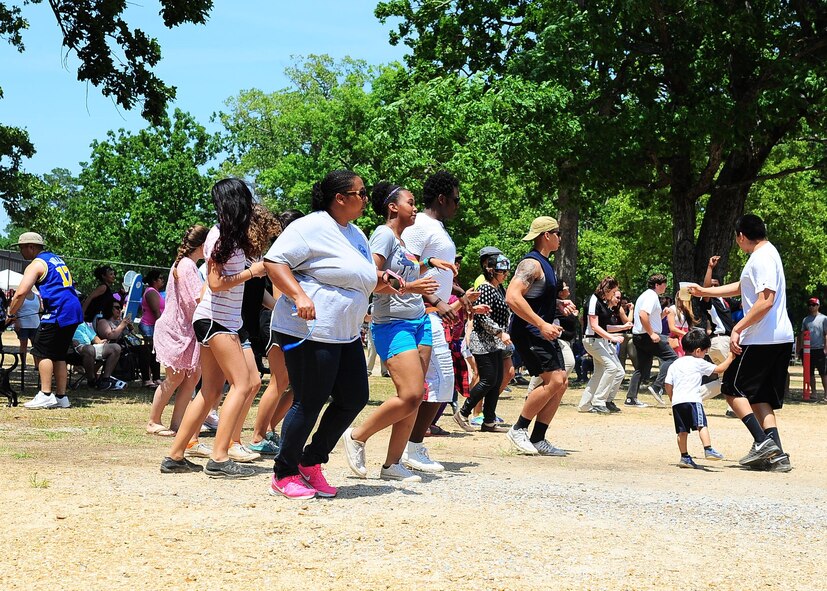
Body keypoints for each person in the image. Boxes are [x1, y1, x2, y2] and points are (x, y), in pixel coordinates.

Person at [264, 170, 382, 499]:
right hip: (310, 331)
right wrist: (300, 296)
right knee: (309, 401)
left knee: (354, 397)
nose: (365, 199)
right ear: (339, 198)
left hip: (344, 334)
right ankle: (283, 472)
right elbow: (274, 262)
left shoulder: (356, 233)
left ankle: (309, 461)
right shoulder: (311, 226)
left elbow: (361, 276)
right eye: (360, 193)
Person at [160, 178, 267, 477]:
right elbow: (217, 284)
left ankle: (175, 456)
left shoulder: (228, 236)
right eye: (247, 198)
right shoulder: (222, 239)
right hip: (217, 320)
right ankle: (220, 458)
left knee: (209, 392)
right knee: (243, 384)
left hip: (219, 319)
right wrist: (252, 272)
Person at [341, 181, 443, 483]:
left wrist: (426, 264)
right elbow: (371, 279)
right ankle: (358, 436)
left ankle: (392, 465)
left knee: (415, 396)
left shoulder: (400, 241)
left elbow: (403, 273)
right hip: (392, 323)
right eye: (410, 202)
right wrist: (412, 286)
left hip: (418, 320)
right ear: (393, 207)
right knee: (410, 394)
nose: (415, 207)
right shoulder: (383, 234)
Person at [688, 214, 793, 472]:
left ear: (742, 236)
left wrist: (738, 327)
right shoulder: (766, 255)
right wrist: (705, 292)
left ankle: (762, 442)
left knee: (732, 388)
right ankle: (777, 455)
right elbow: (742, 287)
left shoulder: (762, 257)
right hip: (777, 338)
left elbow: (766, 300)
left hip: (761, 338)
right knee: (759, 396)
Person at [399, 170, 475, 472]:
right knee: (434, 383)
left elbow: (433, 270)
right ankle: (407, 448)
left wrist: (454, 290)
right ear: (442, 199)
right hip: (419, 314)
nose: (458, 205)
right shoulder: (419, 227)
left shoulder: (437, 228)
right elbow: (403, 267)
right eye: (455, 199)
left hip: (434, 314)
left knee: (441, 386)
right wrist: (437, 301)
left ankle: (412, 447)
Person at [505, 216, 576, 456]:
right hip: (529, 332)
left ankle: (538, 438)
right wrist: (542, 323)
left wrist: (557, 304)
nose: (560, 237)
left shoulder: (546, 265)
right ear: (546, 235)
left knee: (562, 382)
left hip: (540, 330)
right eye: (557, 233)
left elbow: (533, 298)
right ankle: (518, 428)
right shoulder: (531, 264)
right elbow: (512, 297)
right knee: (555, 380)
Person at [8, 232, 83, 409]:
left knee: (41, 351)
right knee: (59, 354)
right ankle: (62, 397)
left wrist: (11, 314)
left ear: (31, 247)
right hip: (73, 309)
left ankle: (46, 394)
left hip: (59, 310)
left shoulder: (36, 264)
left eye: (21, 248)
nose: (21, 252)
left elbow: (21, 292)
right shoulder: (54, 259)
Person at [147, 224, 208, 437]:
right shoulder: (187, 266)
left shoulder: (185, 264)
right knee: (174, 377)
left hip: (187, 330)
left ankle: (178, 424)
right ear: (202, 245)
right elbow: (194, 300)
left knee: (191, 378)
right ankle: (153, 421)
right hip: (175, 330)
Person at [453, 253, 512, 433]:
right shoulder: (485, 289)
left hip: (494, 342)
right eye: (502, 271)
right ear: (491, 271)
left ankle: (489, 421)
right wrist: (500, 332)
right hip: (482, 340)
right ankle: (462, 413)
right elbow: (482, 318)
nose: (506, 275)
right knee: (487, 379)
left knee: (496, 380)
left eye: (507, 271)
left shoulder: (497, 289)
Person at [664, 329, 733, 468]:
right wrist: (731, 356)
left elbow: (668, 384)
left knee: (682, 431)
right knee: (701, 425)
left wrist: (672, 398)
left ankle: (684, 457)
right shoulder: (698, 362)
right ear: (697, 351)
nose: (705, 354)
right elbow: (719, 369)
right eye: (705, 351)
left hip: (678, 402)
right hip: (693, 400)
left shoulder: (675, 364)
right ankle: (708, 449)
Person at [577, 277, 629, 414]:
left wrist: (621, 328)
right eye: (614, 292)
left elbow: (603, 326)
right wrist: (612, 337)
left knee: (599, 373)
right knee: (612, 368)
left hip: (599, 341)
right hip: (592, 341)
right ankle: (599, 401)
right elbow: (594, 326)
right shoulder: (594, 301)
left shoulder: (601, 302)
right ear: (607, 290)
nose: (614, 295)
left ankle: (584, 405)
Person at [625, 274, 676, 408]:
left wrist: (662, 315)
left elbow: (650, 317)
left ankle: (631, 398)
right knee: (672, 358)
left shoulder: (645, 295)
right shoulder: (651, 296)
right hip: (647, 337)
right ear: (657, 285)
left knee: (641, 368)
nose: (665, 287)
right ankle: (657, 386)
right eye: (664, 284)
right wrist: (652, 333)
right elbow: (643, 315)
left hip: (639, 336)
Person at [96, 300, 155, 387]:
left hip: (126, 346)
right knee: (144, 350)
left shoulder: (120, 321)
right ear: (109, 309)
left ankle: (156, 378)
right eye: (116, 308)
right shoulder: (103, 322)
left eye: (120, 308)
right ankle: (146, 379)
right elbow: (111, 336)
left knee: (151, 348)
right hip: (114, 347)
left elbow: (131, 337)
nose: (119, 310)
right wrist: (122, 325)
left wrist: (130, 328)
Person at [69, 322, 124, 390]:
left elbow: (93, 337)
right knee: (89, 349)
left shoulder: (82, 324)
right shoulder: (64, 322)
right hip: (72, 349)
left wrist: (100, 342)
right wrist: (69, 340)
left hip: (89, 347)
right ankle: (92, 380)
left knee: (116, 348)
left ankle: (105, 379)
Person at [138, 269, 165, 386]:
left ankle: (156, 377)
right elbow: (156, 311)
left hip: (154, 325)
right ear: (154, 280)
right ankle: (146, 379)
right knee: (148, 352)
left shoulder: (156, 292)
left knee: (155, 352)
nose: (163, 280)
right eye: (161, 278)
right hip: (149, 325)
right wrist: (162, 326)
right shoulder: (151, 292)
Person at [800, 297, 827, 402]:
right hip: (808, 351)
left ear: (818, 306)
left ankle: (826, 394)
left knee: (823, 373)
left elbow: (826, 334)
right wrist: (801, 348)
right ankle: (813, 393)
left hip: (820, 349)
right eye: (809, 305)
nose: (811, 307)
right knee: (809, 373)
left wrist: (825, 348)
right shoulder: (805, 320)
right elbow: (802, 334)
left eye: (813, 305)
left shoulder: (824, 318)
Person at [13, 290, 41, 368]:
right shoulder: (20, 296)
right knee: (23, 345)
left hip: (35, 324)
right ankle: (23, 363)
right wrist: (16, 322)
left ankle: (37, 365)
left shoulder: (37, 296)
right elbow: (14, 310)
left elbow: (40, 310)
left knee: (35, 345)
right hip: (23, 324)